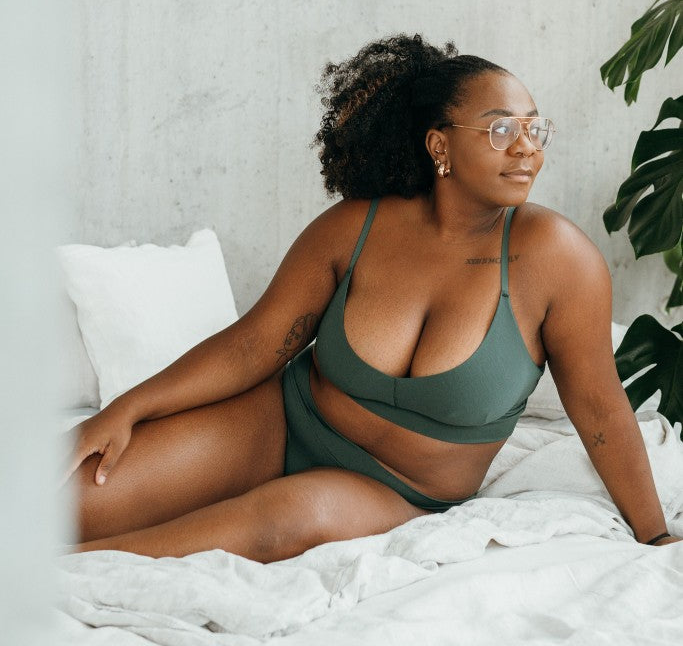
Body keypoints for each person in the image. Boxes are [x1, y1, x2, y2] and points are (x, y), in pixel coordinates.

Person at [61, 33, 679, 558]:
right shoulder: (355, 227)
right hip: (280, 422)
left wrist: (654, 537)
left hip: (398, 490)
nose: (527, 148)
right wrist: (126, 410)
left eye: (534, 128)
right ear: (440, 145)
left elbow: (600, 409)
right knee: (60, 502)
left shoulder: (559, 260)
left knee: (288, 519)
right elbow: (255, 345)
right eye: (500, 130)